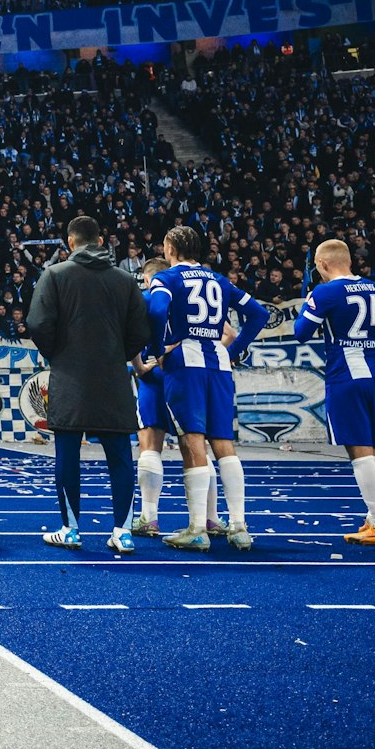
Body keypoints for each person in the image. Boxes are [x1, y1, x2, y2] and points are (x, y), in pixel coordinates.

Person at [26, 216, 152, 554]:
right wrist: (117, 354)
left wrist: (59, 354)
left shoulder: (54, 275)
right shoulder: (125, 280)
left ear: (70, 242)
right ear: (100, 241)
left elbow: (37, 323)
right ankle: (122, 532)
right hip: (112, 376)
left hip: (70, 376)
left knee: (67, 454)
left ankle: (70, 529)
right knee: (120, 457)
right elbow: (141, 330)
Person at [291, 239, 375, 545]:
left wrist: (311, 301)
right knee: (374, 449)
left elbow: (301, 333)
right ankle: (374, 517)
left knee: (360, 451)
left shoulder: (325, 291)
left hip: (346, 376)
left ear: (323, 264)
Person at [145, 225, 270, 552]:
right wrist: (234, 350)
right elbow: (259, 314)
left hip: (185, 364)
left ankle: (198, 528)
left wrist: (158, 349)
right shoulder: (219, 280)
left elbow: (157, 310)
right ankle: (239, 526)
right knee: (225, 444)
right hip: (218, 363)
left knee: (194, 442)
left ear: (170, 248)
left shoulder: (167, 278)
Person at [130, 258, 172, 537]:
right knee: (197, 445)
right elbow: (228, 334)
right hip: (188, 374)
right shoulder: (187, 296)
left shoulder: (146, 299)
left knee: (149, 442)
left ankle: (149, 516)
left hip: (154, 374)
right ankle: (210, 519)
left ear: (147, 279)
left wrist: (141, 365)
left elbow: (130, 336)